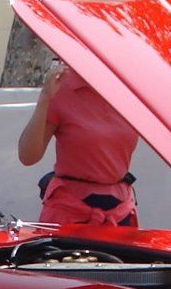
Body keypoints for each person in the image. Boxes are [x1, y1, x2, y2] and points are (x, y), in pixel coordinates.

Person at [17, 62, 139, 227]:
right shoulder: (62, 87)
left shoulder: (127, 91)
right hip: (71, 211)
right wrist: (45, 98)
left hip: (119, 210)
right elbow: (28, 156)